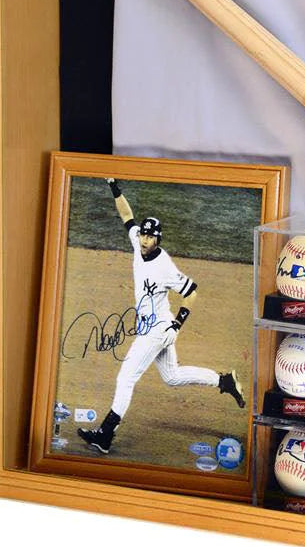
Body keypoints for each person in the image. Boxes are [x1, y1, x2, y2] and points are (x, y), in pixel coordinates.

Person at [77, 178, 245, 453]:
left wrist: (177, 325)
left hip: (159, 329)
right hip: (152, 327)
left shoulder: (164, 266)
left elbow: (191, 292)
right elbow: (127, 215)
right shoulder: (137, 242)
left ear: (158, 240)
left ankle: (105, 435)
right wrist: (114, 186)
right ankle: (224, 381)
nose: (144, 239)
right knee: (172, 376)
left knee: (126, 377)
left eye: (150, 237)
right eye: (143, 235)